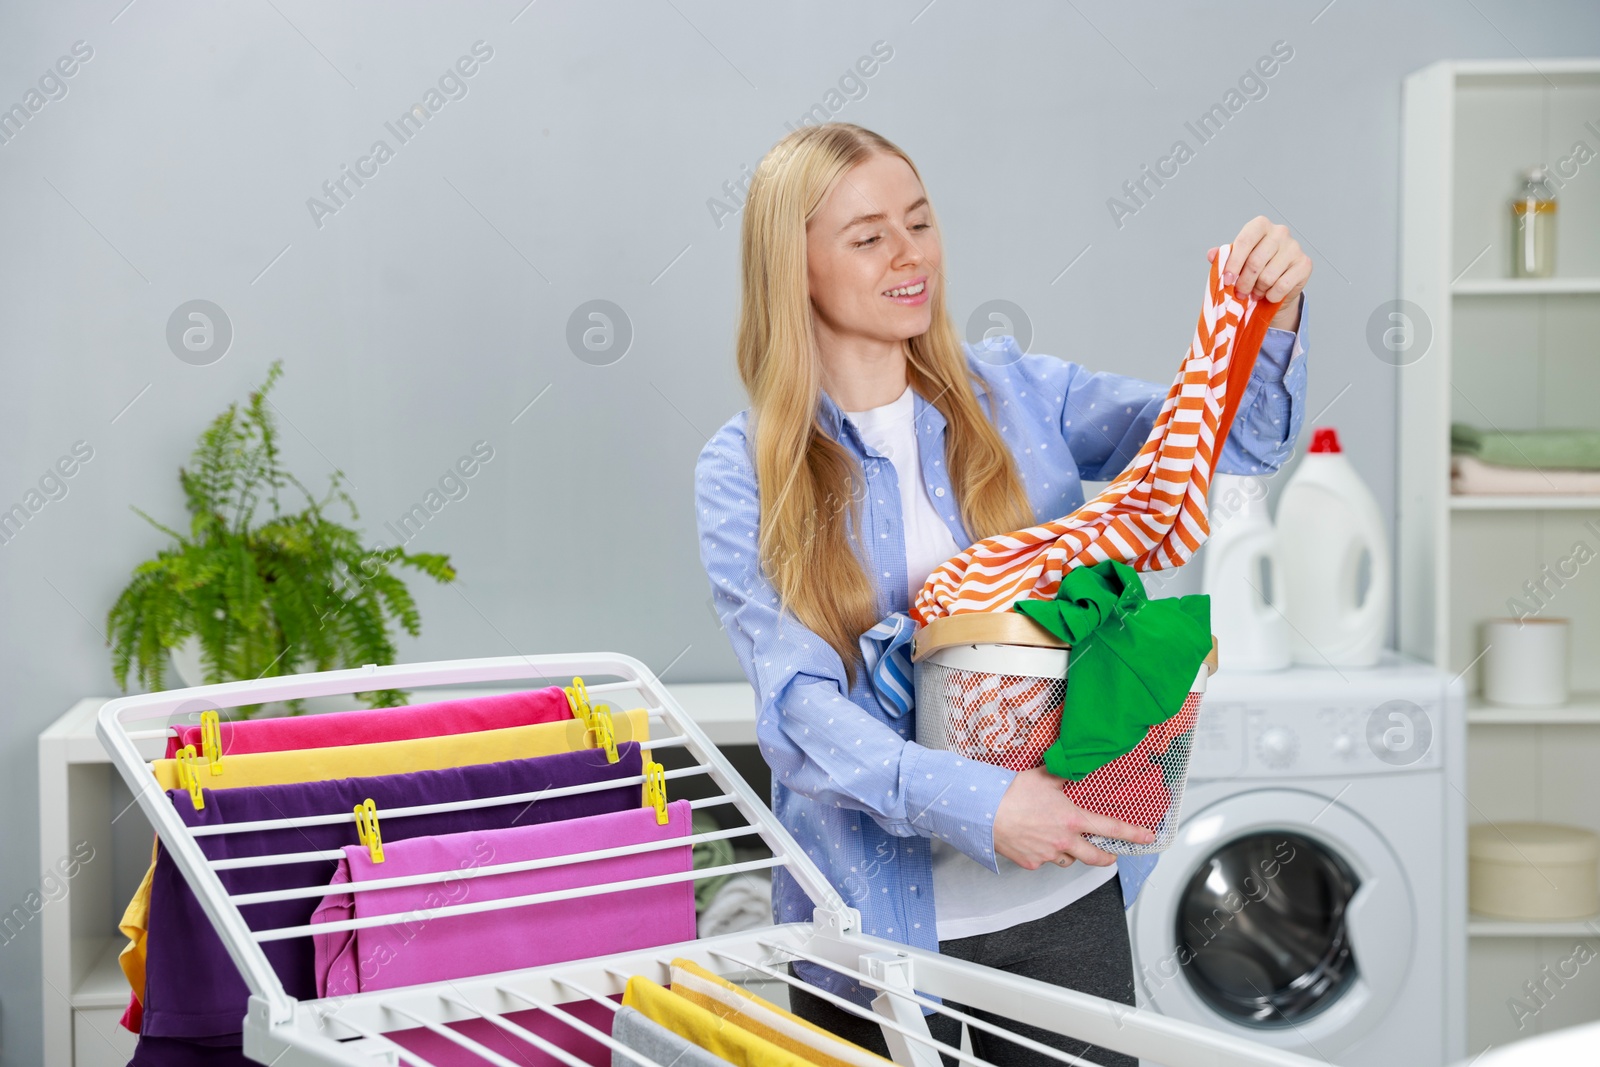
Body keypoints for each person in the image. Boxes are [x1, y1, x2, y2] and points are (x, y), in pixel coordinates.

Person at [693, 122, 1310, 1066]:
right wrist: (984, 803)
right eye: (869, 237)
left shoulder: (1018, 393)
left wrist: (1267, 318)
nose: (911, 256)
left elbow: (1224, 441)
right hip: (876, 936)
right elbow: (798, 710)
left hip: (1063, 909)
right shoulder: (746, 471)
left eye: (921, 222)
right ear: (795, 267)